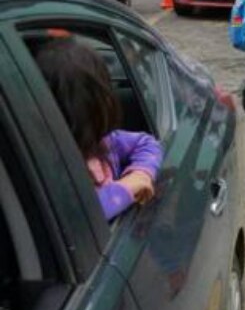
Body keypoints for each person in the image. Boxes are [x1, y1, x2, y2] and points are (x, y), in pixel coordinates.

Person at [35, 39, 163, 221]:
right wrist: (124, 189)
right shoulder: (48, 168)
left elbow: (146, 142)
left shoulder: (105, 142)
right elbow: (73, 219)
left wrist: (140, 172)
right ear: (98, 103)